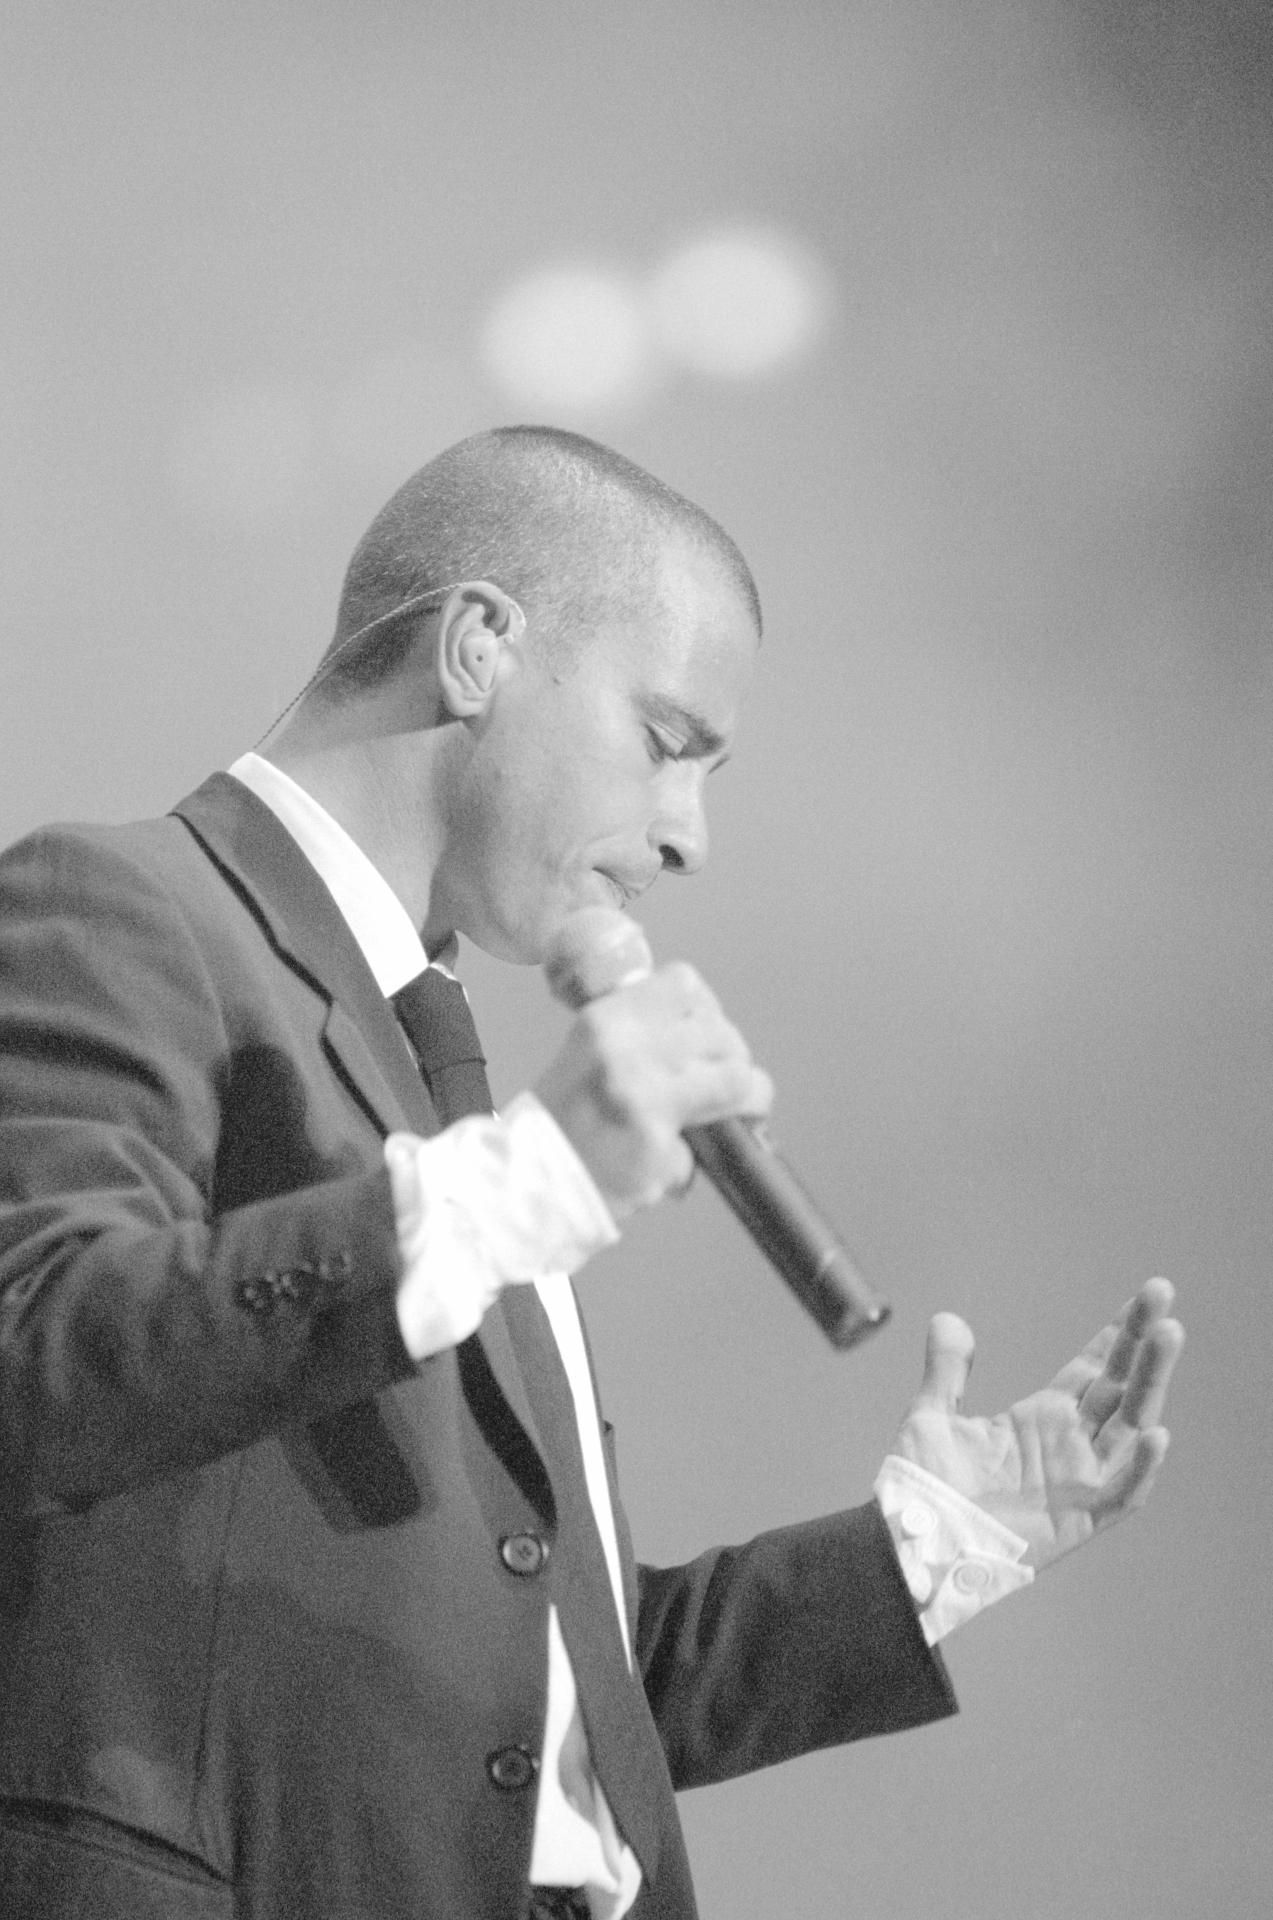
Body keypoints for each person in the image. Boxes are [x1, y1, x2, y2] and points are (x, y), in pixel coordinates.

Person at [0, 427, 1182, 1920]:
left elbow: (532, 1699)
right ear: (479, 647)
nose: (688, 838)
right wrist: (522, 1183)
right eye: (668, 743)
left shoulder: (435, 1075)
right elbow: (37, 1351)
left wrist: (929, 1552)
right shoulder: (126, 908)